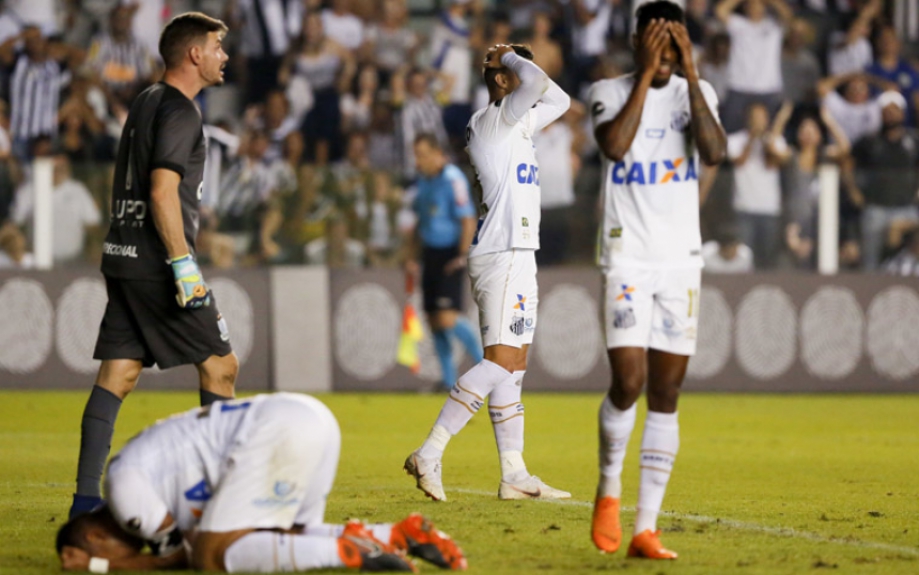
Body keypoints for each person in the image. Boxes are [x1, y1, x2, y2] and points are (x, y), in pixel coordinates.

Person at [69, 13, 240, 520]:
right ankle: (221, 500)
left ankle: (84, 503)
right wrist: (183, 264)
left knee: (118, 375)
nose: (224, 56)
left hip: (122, 256)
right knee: (221, 366)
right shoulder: (182, 112)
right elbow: (162, 189)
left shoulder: (145, 101)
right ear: (194, 55)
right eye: (216, 46)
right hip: (158, 267)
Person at [587, 1, 726, 559]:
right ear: (637, 45)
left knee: (666, 392)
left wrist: (690, 73)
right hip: (627, 259)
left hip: (680, 262)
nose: (665, 55)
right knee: (629, 381)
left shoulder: (699, 92)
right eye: (656, 46)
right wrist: (646, 75)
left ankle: (646, 528)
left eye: (674, 46)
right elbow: (615, 146)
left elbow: (716, 151)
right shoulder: (608, 90)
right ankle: (609, 488)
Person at [403, 43, 571, 502]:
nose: (526, 71)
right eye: (517, 67)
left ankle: (514, 474)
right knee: (499, 360)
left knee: (513, 368)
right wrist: (506, 58)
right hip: (501, 253)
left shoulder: (518, 123)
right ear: (501, 80)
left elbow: (560, 100)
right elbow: (535, 84)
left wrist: (516, 59)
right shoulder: (492, 121)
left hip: (520, 251)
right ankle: (429, 452)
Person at [55, 393, 467, 573]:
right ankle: (395, 534)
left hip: (274, 429)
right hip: (310, 416)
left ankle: (347, 553)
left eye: (99, 547)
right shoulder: (143, 477)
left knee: (212, 559)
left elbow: (179, 557)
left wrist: (100, 566)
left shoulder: (124, 489)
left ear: (93, 534)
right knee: (278, 535)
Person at [404, 133, 483, 391]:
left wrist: (461, 255)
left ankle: (489, 368)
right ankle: (449, 382)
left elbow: (467, 218)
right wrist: (413, 257)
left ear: (438, 154)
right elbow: (420, 222)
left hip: (450, 252)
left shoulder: (453, 179)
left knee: (448, 318)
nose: (419, 160)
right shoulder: (424, 182)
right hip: (430, 253)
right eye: (416, 155)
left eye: (423, 155)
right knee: (434, 320)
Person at [844, 91, 919, 271]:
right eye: (887, 110)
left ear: (903, 113)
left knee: (913, 257)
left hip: (907, 208)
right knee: (870, 262)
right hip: (875, 209)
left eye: (895, 109)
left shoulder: (914, 140)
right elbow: (847, 163)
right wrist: (853, 191)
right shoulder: (868, 141)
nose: (891, 113)